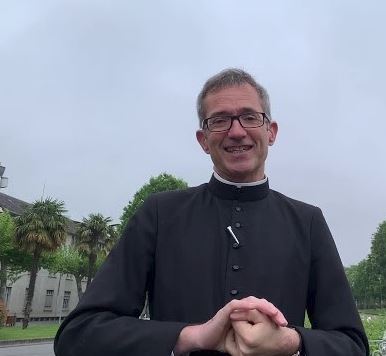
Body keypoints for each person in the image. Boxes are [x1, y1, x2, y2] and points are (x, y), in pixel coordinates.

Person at [54, 68, 369, 356]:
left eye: (249, 117)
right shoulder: (160, 214)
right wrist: (192, 336)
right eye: (219, 120)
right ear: (203, 140)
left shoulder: (308, 222)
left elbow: (353, 345)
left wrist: (290, 342)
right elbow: (78, 335)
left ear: (271, 132)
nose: (236, 131)